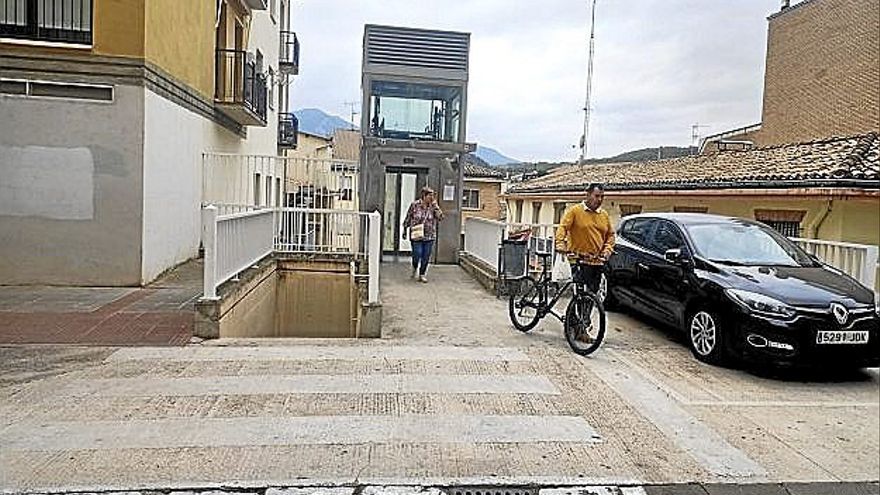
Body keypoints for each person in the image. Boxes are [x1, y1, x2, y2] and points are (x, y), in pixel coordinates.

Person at [554, 183, 616, 341]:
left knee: (591, 297)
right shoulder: (575, 211)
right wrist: (560, 243)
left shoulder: (604, 215)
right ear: (587, 195)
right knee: (579, 294)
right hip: (578, 259)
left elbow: (610, 236)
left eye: (602, 196)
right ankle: (576, 326)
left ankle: (582, 325)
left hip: (596, 262)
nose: (600, 199)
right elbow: (563, 228)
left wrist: (607, 251)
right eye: (597, 196)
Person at [403, 186, 444, 283]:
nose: (432, 197)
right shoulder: (415, 205)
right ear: (424, 196)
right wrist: (405, 229)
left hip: (429, 235)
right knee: (417, 254)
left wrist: (436, 207)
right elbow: (408, 217)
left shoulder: (433, 207)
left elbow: (441, 218)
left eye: (433, 195)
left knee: (426, 256)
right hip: (416, 235)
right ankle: (415, 266)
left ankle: (422, 274)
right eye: (430, 195)